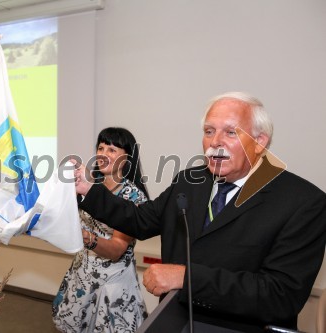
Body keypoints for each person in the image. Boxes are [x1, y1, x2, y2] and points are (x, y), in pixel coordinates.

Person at [74, 92, 326, 332]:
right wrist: (88, 189)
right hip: (174, 320)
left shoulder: (303, 202)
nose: (215, 141)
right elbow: (140, 220)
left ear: (260, 142)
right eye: (209, 131)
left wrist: (188, 278)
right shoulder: (189, 181)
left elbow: (281, 295)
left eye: (230, 132)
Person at [53, 127, 150, 333]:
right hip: (81, 279)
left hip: (112, 286)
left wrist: (86, 237)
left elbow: (116, 250)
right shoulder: (89, 187)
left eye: (112, 150)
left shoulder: (133, 196)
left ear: (128, 158)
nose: (103, 154)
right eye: (101, 147)